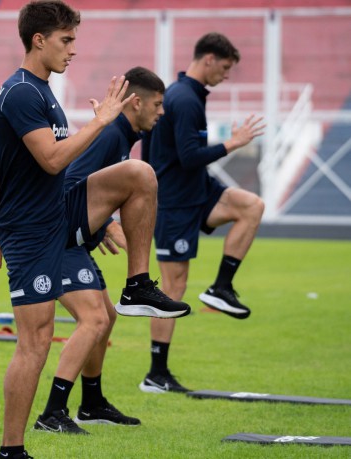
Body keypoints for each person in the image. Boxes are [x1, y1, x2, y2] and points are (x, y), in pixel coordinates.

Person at [0, 2, 191, 458]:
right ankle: (11, 450)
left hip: (56, 217)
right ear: (39, 39)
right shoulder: (19, 92)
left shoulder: (41, 91)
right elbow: (52, 159)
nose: (73, 50)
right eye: (66, 40)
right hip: (32, 232)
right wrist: (100, 121)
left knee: (139, 174)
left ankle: (136, 286)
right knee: (34, 341)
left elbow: (0, 159)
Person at [34, 66, 167, 431]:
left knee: (105, 318)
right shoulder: (110, 135)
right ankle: (52, 413)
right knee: (93, 320)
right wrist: (107, 223)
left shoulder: (122, 137)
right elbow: (71, 181)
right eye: (157, 104)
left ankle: (91, 403)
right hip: (55, 239)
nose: (161, 112)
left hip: (73, 242)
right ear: (136, 102)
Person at [140, 32, 265, 394]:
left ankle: (221, 287)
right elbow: (189, 155)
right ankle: (156, 374)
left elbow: (157, 149)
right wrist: (233, 143)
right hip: (176, 202)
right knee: (172, 287)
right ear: (209, 59)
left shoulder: (186, 94)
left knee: (252, 206)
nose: (226, 75)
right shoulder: (184, 98)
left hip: (197, 190)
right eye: (225, 68)